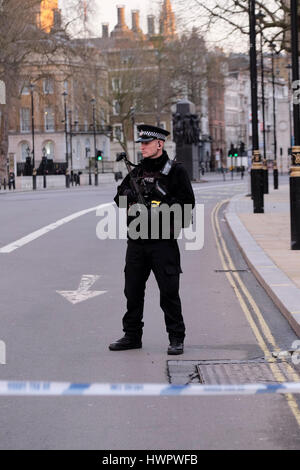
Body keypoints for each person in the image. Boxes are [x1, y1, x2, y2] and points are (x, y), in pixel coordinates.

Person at [109, 124, 195, 355]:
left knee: (169, 292)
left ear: (159, 143)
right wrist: (130, 200)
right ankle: (132, 335)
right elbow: (119, 199)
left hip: (163, 242)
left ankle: (176, 337)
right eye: (141, 143)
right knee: (133, 291)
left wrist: (162, 203)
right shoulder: (136, 172)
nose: (142, 147)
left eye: (146, 143)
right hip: (137, 242)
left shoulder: (176, 171)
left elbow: (188, 204)